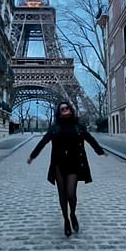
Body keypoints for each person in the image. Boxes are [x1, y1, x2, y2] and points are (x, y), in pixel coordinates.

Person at [27, 101, 106, 237]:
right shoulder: (55, 128)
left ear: (70, 110)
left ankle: (73, 214)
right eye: (61, 109)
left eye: (66, 108)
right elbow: (43, 142)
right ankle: (66, 220)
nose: (64, 110)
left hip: (74, 163)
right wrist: (33, 156)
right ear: (59, 112)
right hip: (59, 164)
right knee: (62, 195)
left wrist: (100, 151)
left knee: (71, 194)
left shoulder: (78, 126)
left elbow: (90, 138)